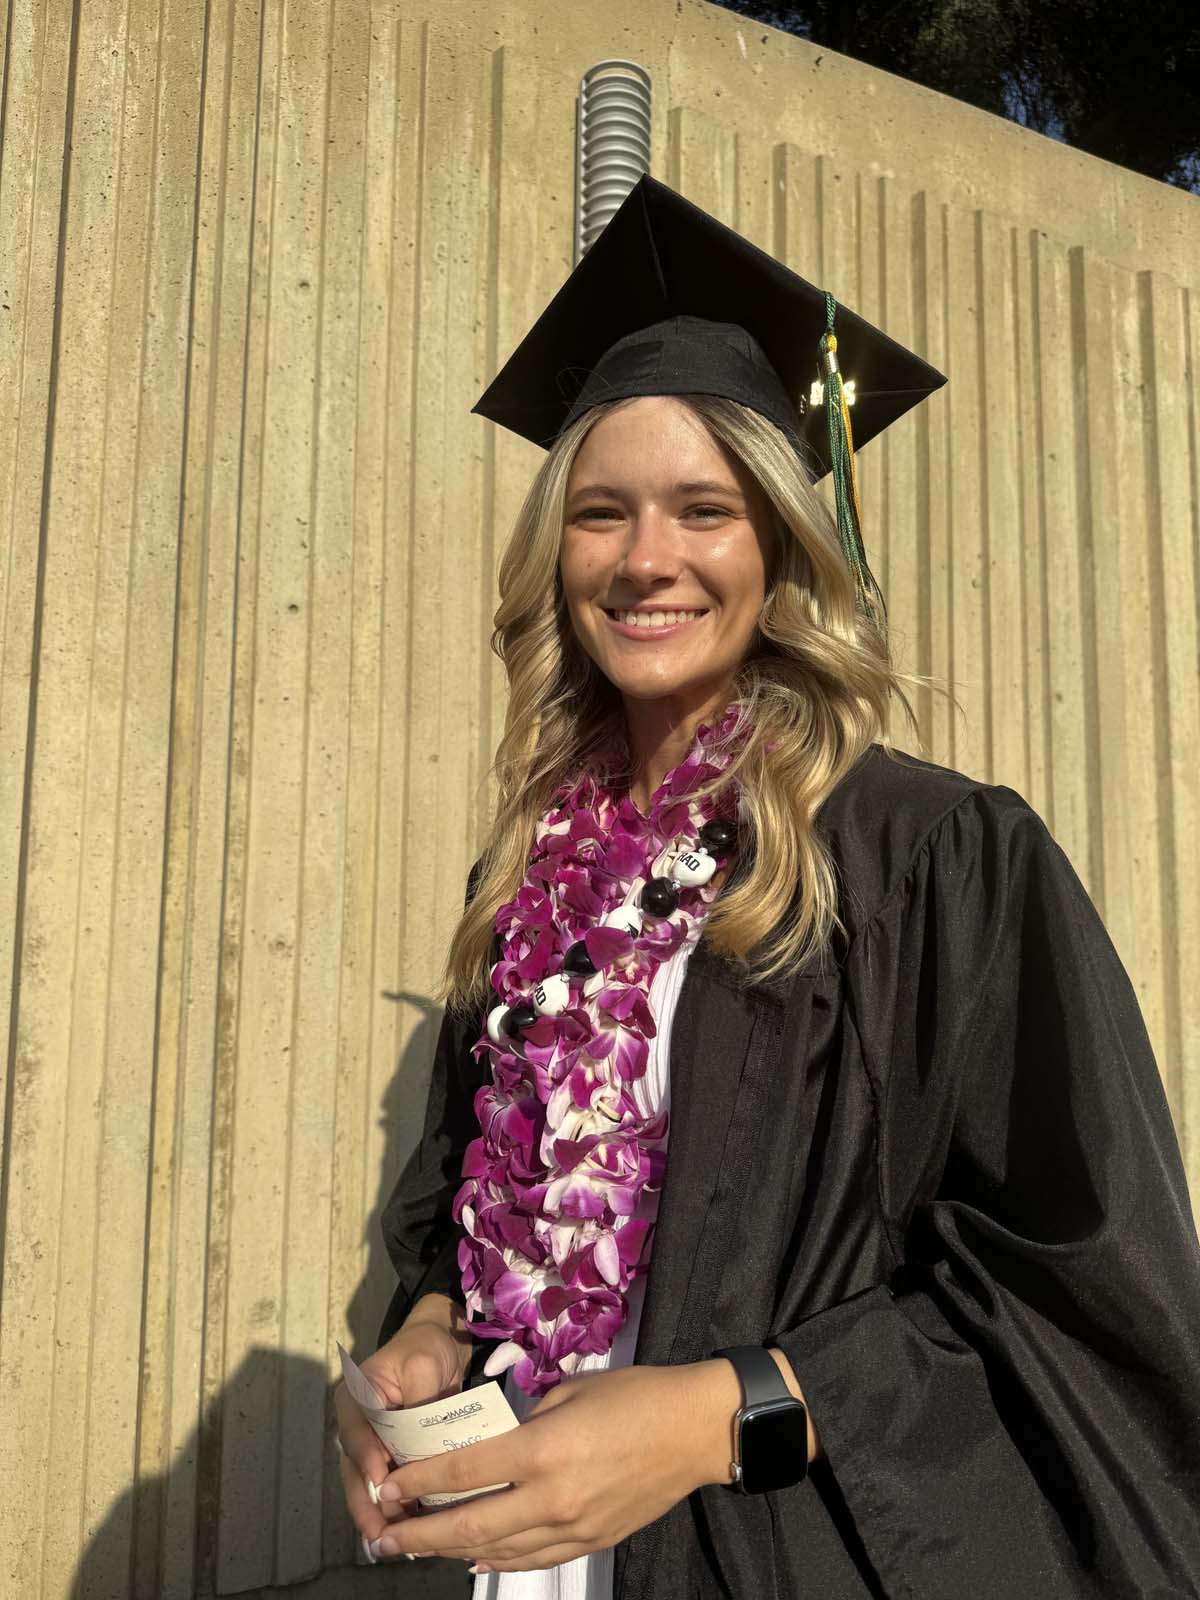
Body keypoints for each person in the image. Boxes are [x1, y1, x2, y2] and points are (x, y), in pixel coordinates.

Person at [334, 177, 1200, 1599]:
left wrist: (715, 1411)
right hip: (533, 1556)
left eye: (704, 510)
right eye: (601, 514)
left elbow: (1087, 1290)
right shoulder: (531, 880)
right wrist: (432, 1329)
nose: (646, 559)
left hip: (778, 1554)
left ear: (785, 547)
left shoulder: (934, 859)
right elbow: (454, 1202)